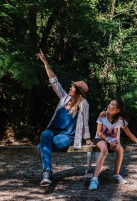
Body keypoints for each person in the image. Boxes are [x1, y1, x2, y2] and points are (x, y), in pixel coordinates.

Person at [35, 49, 92, 187]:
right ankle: (47, 173)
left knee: (41, 147)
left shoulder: (83, 104)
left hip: (66, 136)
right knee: (44, 135)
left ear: (77, 92)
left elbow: (85, 123)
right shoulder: (64, 98)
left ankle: (47, 174)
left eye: (72, 88)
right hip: (52, 131)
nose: (70, 88)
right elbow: (54, 81)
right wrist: (45, 62)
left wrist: (88, 139)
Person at [89, 99, 137, 190]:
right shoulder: (103, 114)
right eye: (109, 103)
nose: (109, 105)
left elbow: (129, 134)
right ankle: (95, 179)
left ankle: (116, 174)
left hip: (114, 141)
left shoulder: (120, 120)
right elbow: (99, 133)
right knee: (104, 150)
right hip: (101, 139)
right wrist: (108, 140)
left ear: (117, 110)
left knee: (120, 149)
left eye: (112, 105)